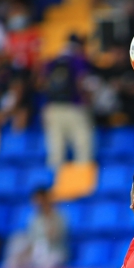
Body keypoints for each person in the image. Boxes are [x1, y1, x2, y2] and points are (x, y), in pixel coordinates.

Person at [38, 34, 94, 169]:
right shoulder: (78, 60)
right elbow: (81, 81)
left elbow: (41, 83)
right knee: (83, 150)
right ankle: (81, 180)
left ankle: (54, 180)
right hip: (75, 108)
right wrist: (87, 100)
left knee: (56, 153)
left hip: (53, 108)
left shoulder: (53, 60)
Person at [2, 187, 69, 268]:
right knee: (13, 261)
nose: (38, 204)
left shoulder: (59, 216)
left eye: (40, 200)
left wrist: (48, 219)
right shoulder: (34, 218)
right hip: (36, 253)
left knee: (45, 266)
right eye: (36, 201)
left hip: (55, 252)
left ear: (46, 199)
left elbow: (55, 237)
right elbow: (32, 240)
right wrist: (23, 254)